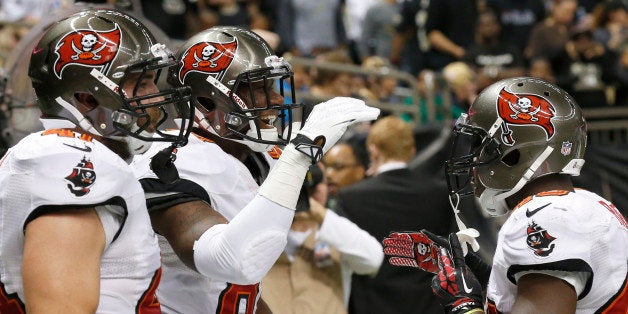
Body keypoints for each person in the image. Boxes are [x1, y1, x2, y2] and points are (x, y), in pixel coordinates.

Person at [131, 26, 381, 313]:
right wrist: (300, 155)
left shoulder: (257, 157)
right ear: (208, 101)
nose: (276, 99)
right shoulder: (169, 161)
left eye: (273, 86)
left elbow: (244, 292)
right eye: (260, 88)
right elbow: (233, 261)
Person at [0, 8, 194, 312]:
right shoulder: (71, 160)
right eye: (141, 84)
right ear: (87, 99)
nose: (156, 97)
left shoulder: (58, 152)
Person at [384, 77, 628, 313]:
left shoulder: (548, 217)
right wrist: (474, 268)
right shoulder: (582, 203)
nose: (474, 160)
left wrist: (464, 307)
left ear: (515, 153)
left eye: (481, 147)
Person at [337, 116, 455, 313]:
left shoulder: (350, 197)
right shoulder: (441, 193)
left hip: (372, 305)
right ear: (411, 151)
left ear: (373, 150)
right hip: (428, 305)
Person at [261, 164, 384, 313]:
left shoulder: (334, 231)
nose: (315, 189)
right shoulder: (263, 231)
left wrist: (319, 213)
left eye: (322, 183)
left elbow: (373, 259)